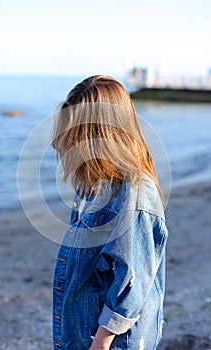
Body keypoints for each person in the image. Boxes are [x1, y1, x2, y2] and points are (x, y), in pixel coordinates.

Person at [51, 75, 168, 350]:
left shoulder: (135, 193)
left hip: (112, 342)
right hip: (84, 330)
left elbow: (133, 281)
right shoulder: (94, 185)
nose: (72, 144)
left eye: (79, 135)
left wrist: (101, 343)